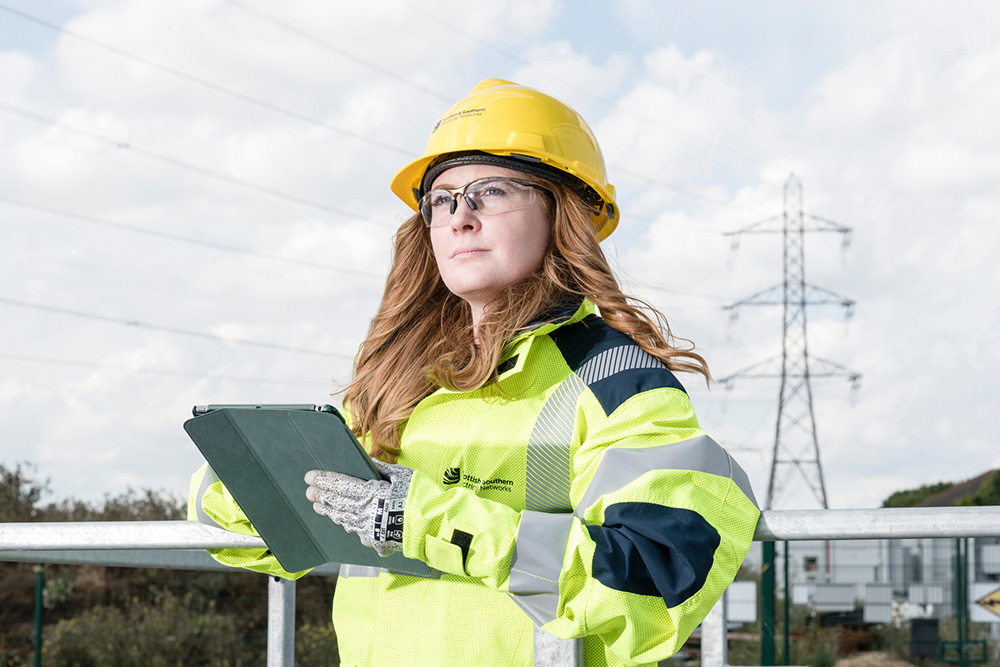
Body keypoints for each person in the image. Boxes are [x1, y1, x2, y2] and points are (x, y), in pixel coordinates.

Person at [188, 78, 760, 667]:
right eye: (442, 198)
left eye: (491, 191)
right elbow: (248, 534)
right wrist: (250, 473)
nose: (461, 217)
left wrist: (424, 519)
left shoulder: (617, 378)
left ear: (564, 212)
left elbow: (654, 578)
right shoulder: (401, 380)